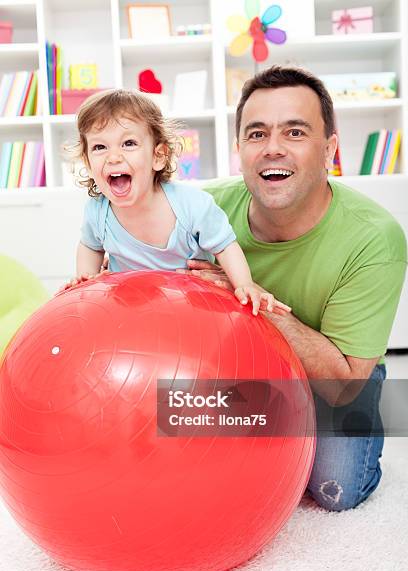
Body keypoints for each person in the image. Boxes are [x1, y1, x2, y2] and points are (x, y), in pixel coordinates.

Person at [183, 65, 407, 511]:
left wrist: (246, 291)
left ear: (330, 150)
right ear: (239, 149)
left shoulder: (374, 239)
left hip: (336, 370)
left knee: (334, 488)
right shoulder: (197, 208)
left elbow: (342, 385)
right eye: (257, 134)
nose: (273, 149)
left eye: (295, 133)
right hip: (242, 365)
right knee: (175, 423)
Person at [63, 89, 291, 316]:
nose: (113, 157)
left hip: (190, 308)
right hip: (131, 309)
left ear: (158, 156)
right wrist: (87, 281)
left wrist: (244, 284)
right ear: (87, 162)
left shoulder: (191, 205)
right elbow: (90, 246)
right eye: (99, 147)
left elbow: (225, 245)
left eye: (129, 143)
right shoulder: (97, 211)